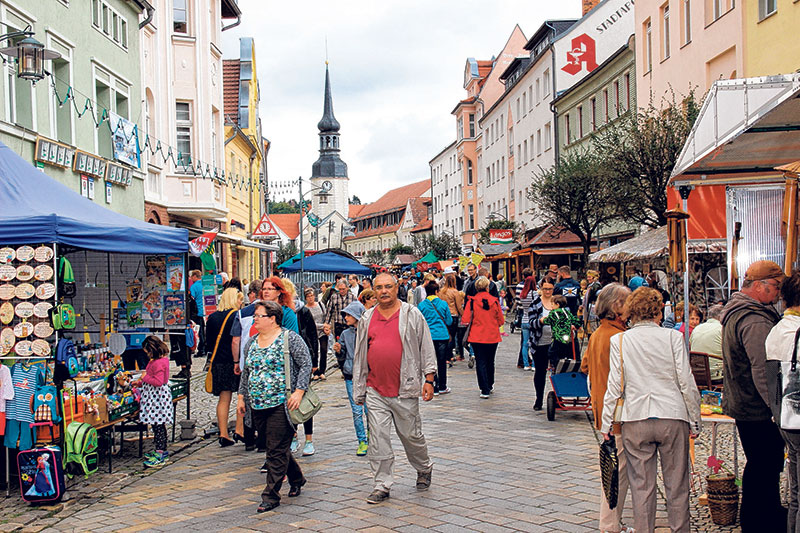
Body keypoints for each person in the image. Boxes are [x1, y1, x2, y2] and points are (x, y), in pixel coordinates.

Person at [602, 287, 701, 533]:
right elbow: (686, 382)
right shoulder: (673, 338)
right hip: (672, 414)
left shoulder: (620, 340)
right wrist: (695, 420)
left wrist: (606, 425)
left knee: (641, 487)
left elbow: (614, 385)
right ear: (658, 311)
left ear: (631, 311)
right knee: (677, 486)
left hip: (635, 417)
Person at [353, 273, 436, 504]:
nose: (383, 291)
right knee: (378, 438)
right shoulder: (367, 317)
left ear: (397, 287)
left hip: (405, 388)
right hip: (375, 389)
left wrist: (428, 379)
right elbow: (360, 354)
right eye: (379, 287)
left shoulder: (412, 314)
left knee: (411, 435)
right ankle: (382, 484)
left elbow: (426, 347)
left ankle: (423, 466)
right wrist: (359, 388)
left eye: (388, 286)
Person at [720, 260, 788, 532]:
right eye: (775, 287)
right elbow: (763, 369)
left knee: (763, 464)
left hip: (745, 403)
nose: (778, 293)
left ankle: (765, 514)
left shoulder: (740, 311)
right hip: (756, 407)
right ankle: (759, 521)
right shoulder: (754, 319)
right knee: (763, 464)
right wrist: (776, 408)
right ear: (759, 286)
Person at [237, 300, 311, 513]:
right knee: (273, 445)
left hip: (282, 402)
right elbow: (247, 371)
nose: (255, 319)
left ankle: (270, 495)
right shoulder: (251, 342)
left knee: (275, 449)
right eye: (255, 315)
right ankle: (297, 478)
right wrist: (242, 397)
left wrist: (299, 391)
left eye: (259, 315)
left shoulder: (289, 339)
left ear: (273, 319)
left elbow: (306, 363)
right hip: (258, 403)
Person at [579, 283, 633, 533]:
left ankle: (613, 523)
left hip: (604, 409)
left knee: (614, 471)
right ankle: (611, 525)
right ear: (616, 306)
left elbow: (585, 366)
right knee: (616, 473)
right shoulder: (617, 337)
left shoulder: (598, 334)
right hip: (617, 413)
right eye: (627, 301)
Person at [231, 277, 299, 452]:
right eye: (264, 288)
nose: (266, 291)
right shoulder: (256, 313)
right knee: (265, 428)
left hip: (281, 378)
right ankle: (286, 469)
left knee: (279, 427)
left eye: (271, 288)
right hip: (259, 379)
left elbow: (294, 346)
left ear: (279, 292)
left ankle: (277, 463)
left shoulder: (287, 314)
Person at [765, 270, 800, 533]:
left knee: (796, 496)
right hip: (796, 416)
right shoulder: (795, 332)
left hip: (785, 419)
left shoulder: (778, 330)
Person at [205, 287, 245, 447]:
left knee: (224, 399)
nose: (241, 302)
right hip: (233, 361)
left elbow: (208, 343)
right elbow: (237, 340)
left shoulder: (212, 317)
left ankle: (223, 433)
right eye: (239, 299)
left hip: (218, 362)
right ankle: (239, 430)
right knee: (241, 397)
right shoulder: (236, 316)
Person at [285, 279, 319, 457]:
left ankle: (309, 439)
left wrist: (315, 363)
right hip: (287, 364)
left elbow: (312, 336)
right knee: (289, 402)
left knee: (304, 401)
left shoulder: (302, 311)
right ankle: (293, 437)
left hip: (302, 361)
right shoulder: (278, 312)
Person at [334, 300, 369, 456]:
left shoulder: (367, 332)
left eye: (348, 314)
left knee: (370, 410)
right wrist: (338, 350)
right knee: (356, 410)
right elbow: (341, 356)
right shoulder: (345, 334)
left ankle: (372, 436)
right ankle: (361, 440)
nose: (346, 317)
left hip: (367, 376)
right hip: (350, 375)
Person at [134, 336, 174, 468]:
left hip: (157, 399)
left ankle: (160, 451)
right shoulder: (158, 361)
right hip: (154, 397)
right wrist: (140, 383)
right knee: (157, 426)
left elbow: (158, 382)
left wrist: (144, 378)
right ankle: (159, 450)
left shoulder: (159, 363)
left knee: (158, 426)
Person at [462, 276, 504, 399]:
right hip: (492, 336)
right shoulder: (495, 301)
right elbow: (500, 320)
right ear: (487, 287)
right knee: (490, 361)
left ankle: (484, 389)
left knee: (480, 362)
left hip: (476, 336)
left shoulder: (472, 302)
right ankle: (490, 384)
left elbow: (465, 319)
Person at [417, 281, 453, 395]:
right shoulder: (443, 304)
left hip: (428, 336)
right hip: (442, 336)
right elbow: (449, 321)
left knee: (431, 362)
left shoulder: (421, 305)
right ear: (437, 291)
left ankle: (433, 385)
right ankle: (442, 386)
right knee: (441, 362)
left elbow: (419, 322)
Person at [529, 279, 556, 410]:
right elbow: (531, 322)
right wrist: (540, 321)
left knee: (557, 371)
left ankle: (557, 397)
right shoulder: (535, 303)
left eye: (550, 289)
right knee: (540, 371)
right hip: (539, 343)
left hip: (556, 342)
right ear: (541, 288)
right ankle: (539, 398)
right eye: (545, 289)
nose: (547, 292)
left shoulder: (557, 302)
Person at [542, 294, 582, 366]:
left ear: (557, 304)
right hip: (568, 337)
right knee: (568, 352)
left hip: (558, 336)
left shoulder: (553, 313)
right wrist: (575, 326)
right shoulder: (566, 312)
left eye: (552, 304)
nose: (551, 306)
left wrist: (542, 320)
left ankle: (555, 365)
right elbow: (575, 320)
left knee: (552, 352)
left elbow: (547, 321)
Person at [689, 303, 724, 382]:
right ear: (721, 317)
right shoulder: (722, 329)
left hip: (697, 375)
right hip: (717, 376)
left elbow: (690, 346)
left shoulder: (697, 329)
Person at [304, 288, 331, 382]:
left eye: (311, 296)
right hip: (312, 332)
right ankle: (315, 372)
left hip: (322, 331)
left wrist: (327, 327)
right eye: (308, 296)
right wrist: (322, 326)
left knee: (324, 350)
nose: (310, 298)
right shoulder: (305, 309)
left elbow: (326, 316)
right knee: (314, 352)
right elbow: (309, 324)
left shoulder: (320, 304)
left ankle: (322, 371)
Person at [439, 274, 464, 361]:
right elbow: (459, 306)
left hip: (443, 316)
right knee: (452, 337)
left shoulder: (441, 291)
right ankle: (448, 355)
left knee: (445, 335)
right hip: (453, 315)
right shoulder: (455, 292)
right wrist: (463, 315)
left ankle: (444, 354)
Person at [517, 275, 538, 370]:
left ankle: (526, 364)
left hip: (524, 319)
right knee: (534, 343)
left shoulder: (523, 294)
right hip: (533, 320)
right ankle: (534, 364)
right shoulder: (534, 293)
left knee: (525, 344)